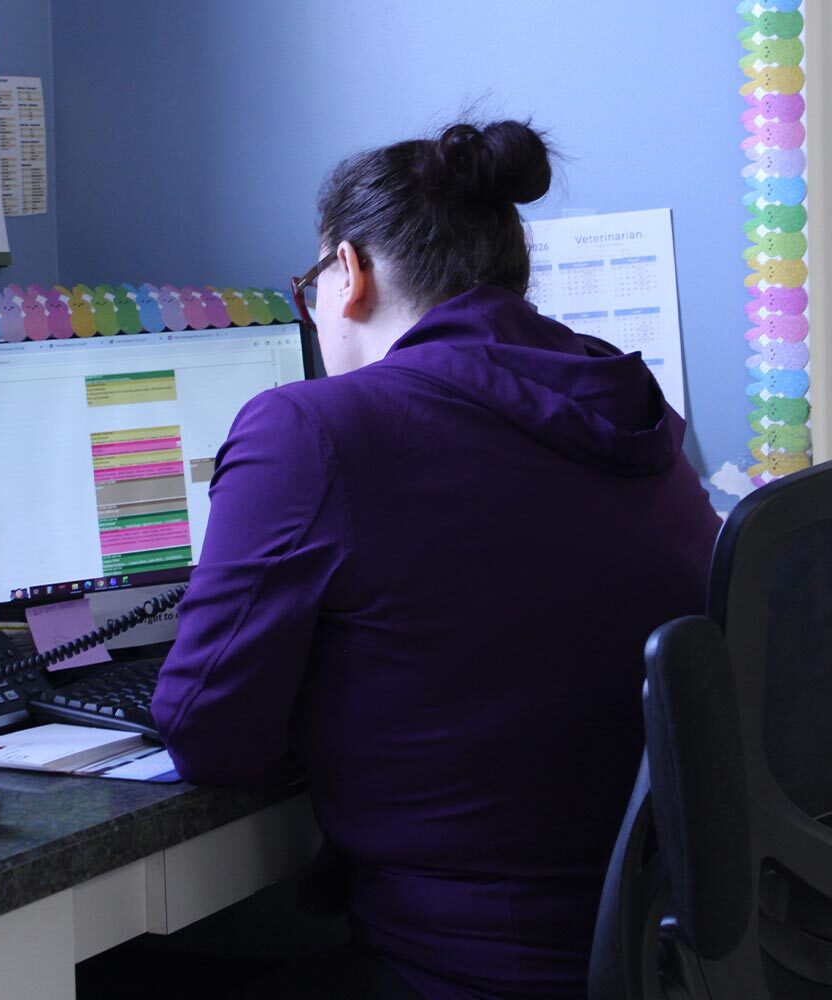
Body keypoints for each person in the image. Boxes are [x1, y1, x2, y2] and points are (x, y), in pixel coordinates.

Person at [150, 120, 722, 999]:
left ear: (349, 273)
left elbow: (205, 732)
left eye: (309, 286)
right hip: (674, 959)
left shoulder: (311, 429)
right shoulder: (627, 402)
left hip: (468, 968)